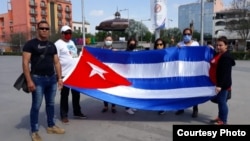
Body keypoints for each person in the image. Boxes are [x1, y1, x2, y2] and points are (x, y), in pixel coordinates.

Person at [22, 21, 65, 141]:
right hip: (37, 79)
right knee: (36, 106)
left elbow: (56, 62)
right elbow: (25, 63)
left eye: (47, 28)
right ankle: (34, 131)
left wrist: (59, 78)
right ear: (37, 29)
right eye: (42, 28)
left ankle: (51, 126)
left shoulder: (52, 45)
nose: (45, 30)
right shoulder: (30, 44)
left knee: (50, 104)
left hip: (51, 79)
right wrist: (29, 81)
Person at [55, 25, 87, 124]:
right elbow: (56, 61)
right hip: (64, 74)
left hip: (74, 73)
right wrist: (59, 77)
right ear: (62, 34)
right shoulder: (57, 44)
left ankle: (77, 112)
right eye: (66, 33)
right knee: (64, 95)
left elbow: (74, 56)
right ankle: (64, 115)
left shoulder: (72, 42)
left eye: (70, 33)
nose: (68, 35)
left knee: (76, 94)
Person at [209, 36, 235, 125]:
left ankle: (223, 121)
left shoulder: (226, 57)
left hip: (223, 85)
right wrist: (211, 49)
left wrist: (220, 85)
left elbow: (224, 73)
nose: (218, 47)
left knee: (222, 102)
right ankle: (220, 117)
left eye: (221, 45)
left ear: (226, 46)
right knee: (221, 102)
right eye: (217, 45)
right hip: (220, 84)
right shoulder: (220, 54)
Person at [176, 28, 200, 118]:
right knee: (181, 90)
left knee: (194, 91)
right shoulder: (180, 44)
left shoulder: (195, 44)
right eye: (185, 34)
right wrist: (177, 48)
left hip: (193, 72)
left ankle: (195, 109)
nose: (187, 36)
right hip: (183, 71)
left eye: (189, 34)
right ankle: (181, 108)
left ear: (191, 35)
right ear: (183, 35)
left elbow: (200, 55)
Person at [101, 35, 117, 113]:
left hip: (112, 73)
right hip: (103, 73)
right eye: (107, 40)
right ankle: (105, 106)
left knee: (113, 90)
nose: (108, 41)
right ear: (104, 40)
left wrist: (116, 53)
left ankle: (113, 106)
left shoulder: (114, 50)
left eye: (110, 40)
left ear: (112, 41)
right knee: (105, 90)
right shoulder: (100, 50)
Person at [124, 37, 138, 115]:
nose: (132, 44)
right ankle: (127, 107)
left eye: (134, 43)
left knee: (133, 91)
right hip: (127, 74)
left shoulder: (136, 51)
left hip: (135, 74)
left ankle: (131, 105)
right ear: (128, 44)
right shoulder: (126, 52)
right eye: (131, 43)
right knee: (128, 92)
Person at [153, 38, 167, 115]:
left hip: (164, 76)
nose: (159, 46)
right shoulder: (152, 54)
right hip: (155, 76)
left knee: (163, 92)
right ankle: (158, 106)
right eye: (157, 44)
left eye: (161, 44)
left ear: (163, 45)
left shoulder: (167, 53)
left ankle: (163, 107)